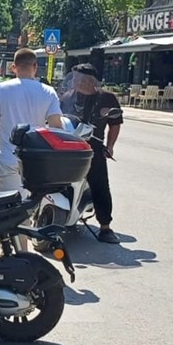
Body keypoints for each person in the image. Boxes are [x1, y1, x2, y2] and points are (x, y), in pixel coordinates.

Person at [0, 48, 64, 193]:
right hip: (35, 161)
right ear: (35, 67)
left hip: (7, 160)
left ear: (13, 67)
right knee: (32, 205)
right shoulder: (48, 91)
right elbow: (56, 127)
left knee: (12, 206)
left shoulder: (2, 89)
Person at [60, 63, 123, 245]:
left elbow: (115, 123)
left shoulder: (106, 98)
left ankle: (105, 226)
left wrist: (110, 146)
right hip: (68, 147)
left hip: (92, 148)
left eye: (82, 79)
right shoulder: (67, 97)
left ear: (92, 81)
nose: (78, 82)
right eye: (76, 78)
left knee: (100, 184)